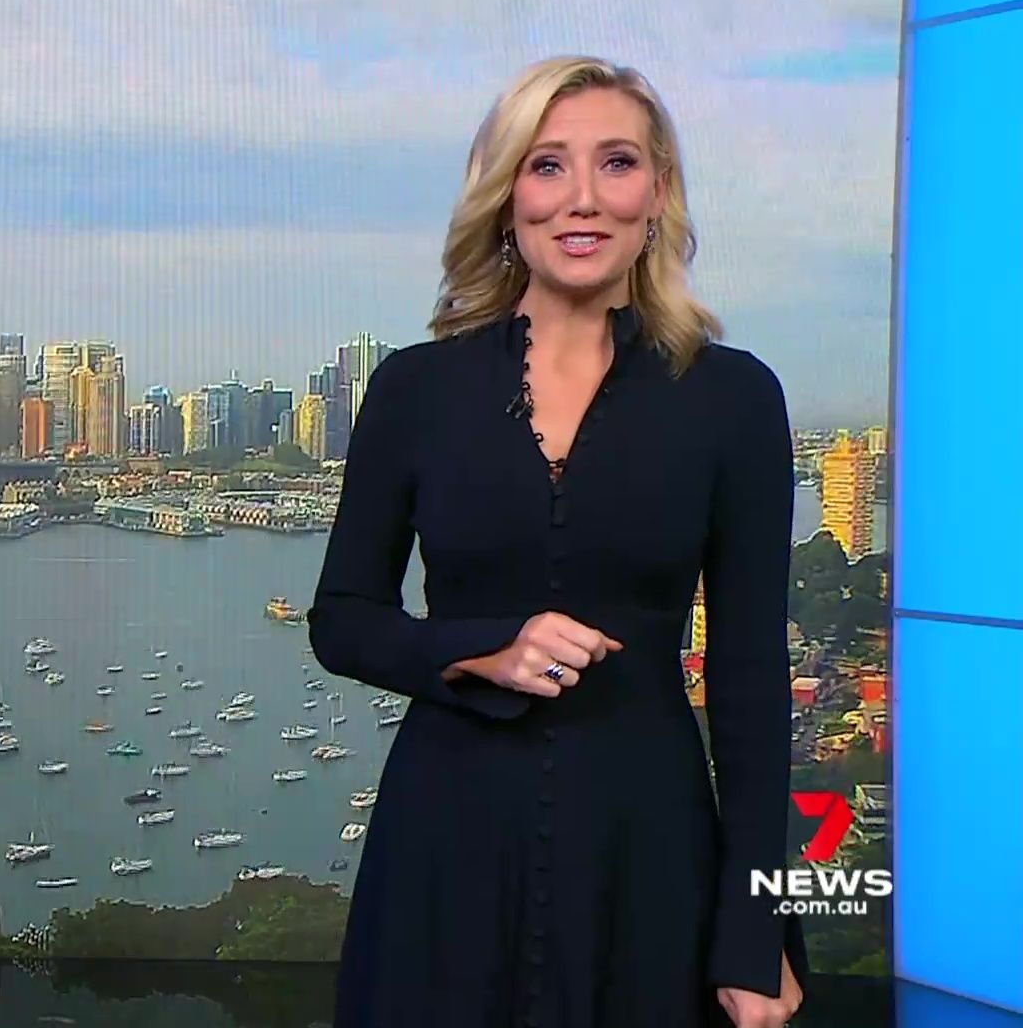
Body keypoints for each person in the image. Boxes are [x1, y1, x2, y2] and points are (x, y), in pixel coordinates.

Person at [308, 55, 809, 1028]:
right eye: (547, 165)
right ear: (506, 198)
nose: (582, 198)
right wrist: (481, 650)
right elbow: (343, 619)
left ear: (657, 192)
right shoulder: (413, 390)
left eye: (616, 162)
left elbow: (750, 679)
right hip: (444, 848)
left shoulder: (735, 398)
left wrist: (757, 928)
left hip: (650, 847)